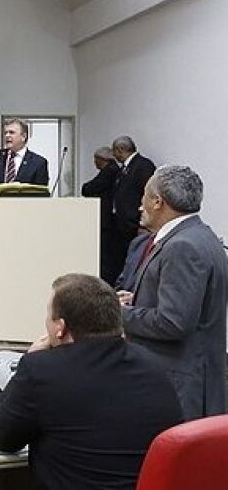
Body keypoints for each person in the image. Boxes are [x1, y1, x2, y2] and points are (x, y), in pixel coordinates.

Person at [0, 273, 182, 490]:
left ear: (60, 327)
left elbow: (1, 436)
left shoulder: (42, 370)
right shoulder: (154, 366)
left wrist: (29, 360)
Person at [117, 165, 227, 420]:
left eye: (144, 196)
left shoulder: (182, 246)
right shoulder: (201, 236)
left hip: (179, 387)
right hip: (191, 381)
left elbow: (173, 322)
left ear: (158, 202)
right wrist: (140, 299)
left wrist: (120, 313)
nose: (139, 205)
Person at [107, 136, 156, 288]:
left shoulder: (143, 165)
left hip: (133, 225)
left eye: (114, 151)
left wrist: (140, 219)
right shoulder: (124, 168)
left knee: (132, 261)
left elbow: (147, 193)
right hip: (120, 224)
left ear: (120, 150)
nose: (113, 155)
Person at [81, 146, 121, 283]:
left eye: (95, 159)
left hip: (107, 220)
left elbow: (89, 188)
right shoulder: (114, 170)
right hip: (108, 219)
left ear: (101, 159)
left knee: (106, 256)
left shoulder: (110, 171)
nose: (94, 163)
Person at [0, 118, 49, 190]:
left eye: (11, 132)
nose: (7, 135)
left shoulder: (39, 163)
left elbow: (41, 193)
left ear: (23, 136)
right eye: (5, 133)